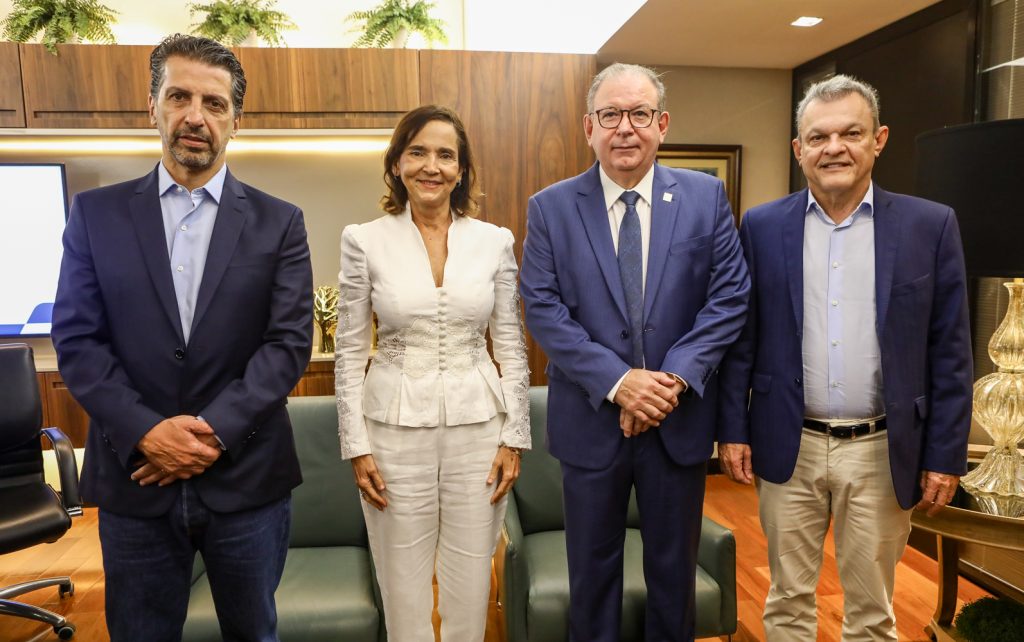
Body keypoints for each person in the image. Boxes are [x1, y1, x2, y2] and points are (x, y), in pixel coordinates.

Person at [51, 34, 313, 641]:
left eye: (214, 104)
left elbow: (287, 345)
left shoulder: (281, 222)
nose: (196, 116)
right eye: (180, 97)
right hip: (134, 479)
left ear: (236, 121)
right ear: (153, 107)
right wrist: (147, 432)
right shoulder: (95, 215)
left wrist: (210, 435)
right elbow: (79, 339)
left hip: (247, 480)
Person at [717, 74, 973, 641]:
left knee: (873, 609)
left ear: (878, 139)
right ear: (798, 149)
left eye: (850, 133)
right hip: (790, 444)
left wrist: (946, 455)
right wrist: (732, 429)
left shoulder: (929, 227)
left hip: (883, 450)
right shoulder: (761, 227)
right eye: (819, 137)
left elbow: (950, 351)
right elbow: (742, 341)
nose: (834, 148)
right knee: (786, 600)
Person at [519, 63, 750, 641]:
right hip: (592, 424)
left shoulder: (704, 196)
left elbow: (730, 296)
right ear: (588, 127)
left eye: (640, 114)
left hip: (679, 422)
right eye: (611, 115)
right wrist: (622, 383)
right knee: (591, 575)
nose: (626, 128)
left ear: (662, 123)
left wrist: (669, 381)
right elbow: (543, 308)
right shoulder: (550, 207)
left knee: (674, 576)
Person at [335, 104, 530, 642]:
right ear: (397, 163)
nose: (432, 165)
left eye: (446, 155)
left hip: (480, 434)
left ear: (462, 169)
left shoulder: (495, 241)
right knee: (403, 591)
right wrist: (357, 446)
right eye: (418, 151)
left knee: (470, 588)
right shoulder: (364, 239)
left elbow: (511, 348)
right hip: (391, 435)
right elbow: (350, 351)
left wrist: (515, 436)